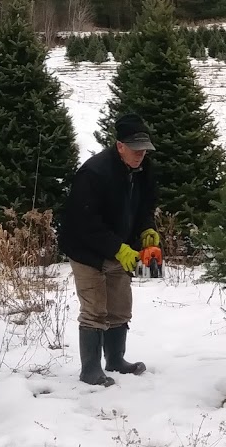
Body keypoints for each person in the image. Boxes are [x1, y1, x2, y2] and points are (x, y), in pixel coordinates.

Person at [59, 113, 160, 386]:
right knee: (95, 308)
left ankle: (115, 360)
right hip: (86, 250)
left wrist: (147, 229)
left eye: (144, 150)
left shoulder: (144, 170)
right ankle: (90, 370)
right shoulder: (94, 173)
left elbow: (145, 206)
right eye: (135, 149)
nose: (140, 155)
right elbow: (85, 223)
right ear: (120, 146)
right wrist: (120, 249)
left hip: (120, 246)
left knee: (120, 305)